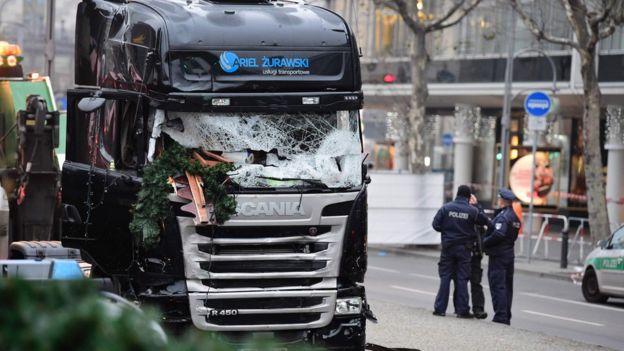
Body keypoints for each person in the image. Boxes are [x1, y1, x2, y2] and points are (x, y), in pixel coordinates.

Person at [432, 185, 490, 318]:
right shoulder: (472, 211)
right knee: (462, 278)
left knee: (445, 278)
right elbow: (486, 222)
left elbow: (435, 225)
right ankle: (462, 310)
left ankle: (440, 309)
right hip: (464, 249)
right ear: (469, 197)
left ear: (457, 194)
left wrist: (447, 232)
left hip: (447, 248)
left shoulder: (446, 208)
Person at [483, 188, 522, 325]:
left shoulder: (504, 216)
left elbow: (499, 234)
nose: (498, 201)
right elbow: (513, 236)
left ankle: (500, 316)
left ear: (503, 201)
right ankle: (506, 316)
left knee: (497, 285)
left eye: (499, 199)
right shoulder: (515, 217)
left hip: (498, 256)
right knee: (507, 287)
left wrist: (485, 242)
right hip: (508, 255)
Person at [452, 194, 488, 319]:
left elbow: (485, 222)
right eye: (469, 200)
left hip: (475, 252)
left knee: (476, 282)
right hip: (462, 251)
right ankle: (460, 307)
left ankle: (478, 309)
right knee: (460, 281)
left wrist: (477, 207)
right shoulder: (459, 210)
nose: (471, 202)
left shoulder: (477, 211)